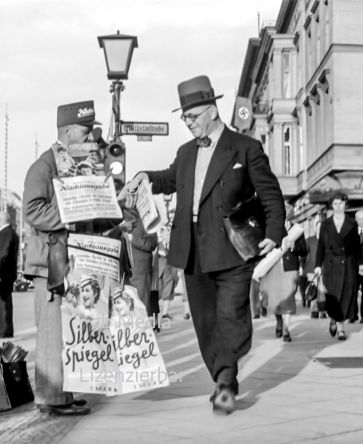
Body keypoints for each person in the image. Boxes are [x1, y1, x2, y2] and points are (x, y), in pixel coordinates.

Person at [119, 75, 286, 415]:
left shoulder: (245, 148)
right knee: (205, 322)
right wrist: (144, 178)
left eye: (192, 116)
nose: (188, 122)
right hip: (192, 249)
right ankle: (222, 373)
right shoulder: (185, 153)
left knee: (230, 314)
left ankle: (225, 382)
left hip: (233, 249)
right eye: (184, 118)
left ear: (211, 110)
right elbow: (168, 179)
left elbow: (271, 194)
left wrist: (275, 231)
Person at [23, 100, 100, 416]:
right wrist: (73, 211)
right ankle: (51, 397)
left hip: (68, 261)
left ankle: (62, 393)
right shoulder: (44, 165)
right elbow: (32, 210)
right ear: (68, 131)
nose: (89, 139)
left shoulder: (74, 164)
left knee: (67, 332)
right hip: (49, 262)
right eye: (85, 132)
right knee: (53, 332)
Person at [314, 192, 363, 341]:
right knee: (333, 296)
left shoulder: (352, 224)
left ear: (345, 205)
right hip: (330, 265)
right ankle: (333, 318)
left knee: (345, 296)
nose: (338, 206)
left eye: (341, 203)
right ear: (331, 206)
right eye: (335, 204)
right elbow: (321, 246)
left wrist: (360, 263)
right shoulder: (325, 224)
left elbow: (357, 247)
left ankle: (341, 328)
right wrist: (317, 265)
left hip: (348, 264)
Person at [260, 220, 307, 342]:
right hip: (273, 267)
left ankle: (286, 329)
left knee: (288, 297)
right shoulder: (270, 227)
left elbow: (303, 250)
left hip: (290, 268)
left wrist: (293, 246)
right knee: (275, 299)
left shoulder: (296, 228)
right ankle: (279, 321)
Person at [0, 211, 19, 338]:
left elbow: (2, 253)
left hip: (2, 274)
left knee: (1, 303)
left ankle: (4, 331)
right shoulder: (11, 233)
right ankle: (7, 330)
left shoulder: (5, 234)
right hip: (7, 274)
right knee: (6, 303)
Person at [128, 211, 158, 325]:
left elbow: (152, 243)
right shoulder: (118, 218)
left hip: (140, 271)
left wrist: (133, 239)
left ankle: (142, 335)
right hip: (122, 270)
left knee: (141, 305)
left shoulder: (148, 218)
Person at [302, 220, 325, 318]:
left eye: (321, 227)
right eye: (318, 227)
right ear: (315, 228)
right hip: (312, 269)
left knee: (323, 291)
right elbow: (303, 254)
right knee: (314, 290)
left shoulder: (327, 240)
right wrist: (302, 266)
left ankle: (323, 311)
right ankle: (314, 311)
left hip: (325, 269)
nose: (319, 229)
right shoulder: (309, 240)